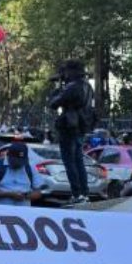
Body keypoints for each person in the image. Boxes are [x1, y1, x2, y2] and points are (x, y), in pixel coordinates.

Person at [48, 60, 96, 204]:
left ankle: (77, 194)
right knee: (78, 161)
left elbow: (53, 104)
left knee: (70, 162)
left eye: (66, 72)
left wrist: (57, 90)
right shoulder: (88, 86)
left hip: (69, 127)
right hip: (81, 127)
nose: (64, 75)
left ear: (71, 72)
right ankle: (84, 193)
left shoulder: (72, 87)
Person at [0, 142, 45, 207]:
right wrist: (9, 194)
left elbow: (38, 193)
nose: (18, 164)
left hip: (23, 212)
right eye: (15, 161)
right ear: (8, 156)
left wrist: (25, 196)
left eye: (21, 161)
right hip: (1, 210)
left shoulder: (30, 167)